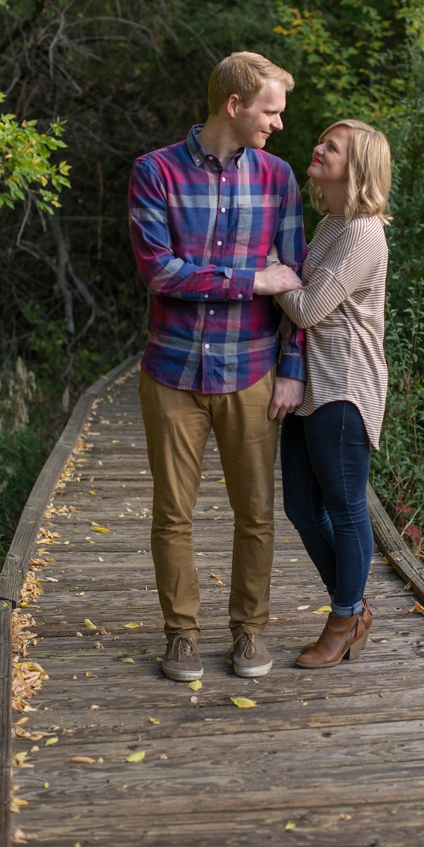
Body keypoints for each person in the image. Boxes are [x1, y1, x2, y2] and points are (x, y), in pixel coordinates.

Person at [128, 50, 308, 683]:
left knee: (256, 512)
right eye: (270, 111)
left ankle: (248, 632)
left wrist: (293, 367)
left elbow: (295, 283)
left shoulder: (278, 178)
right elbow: (161, 272)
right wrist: (251, 279)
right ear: (235, 106)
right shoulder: (156, 173)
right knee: (173, 513)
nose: (278, 124)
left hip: (253, 370)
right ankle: (181, 633)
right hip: (172, 370)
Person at [273, 119, 392, 668]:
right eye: (319, 139)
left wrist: (270, 271)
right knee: (302, 506)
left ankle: (344, 618)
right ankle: (355, 608)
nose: (317, 148)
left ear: (359, 166)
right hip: (309, 384)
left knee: (346, 510)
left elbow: (307, 308)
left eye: (332, 146)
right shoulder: (329, 225)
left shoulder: (364, 231)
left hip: (345, 384)